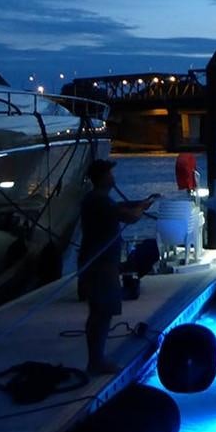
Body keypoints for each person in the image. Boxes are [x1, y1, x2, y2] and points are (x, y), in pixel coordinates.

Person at [78, 159, 158, 374]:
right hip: (100, 265)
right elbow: (129, 217)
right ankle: (97, 361)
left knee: (100, 311)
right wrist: (141, 209)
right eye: (110, 174)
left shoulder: (98, 199)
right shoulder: (98, 200)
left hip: (101, 263)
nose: (113, 178)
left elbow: (119, 207)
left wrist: (140, 202)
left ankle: (96, 359)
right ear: (103, 177)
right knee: (102, 312)